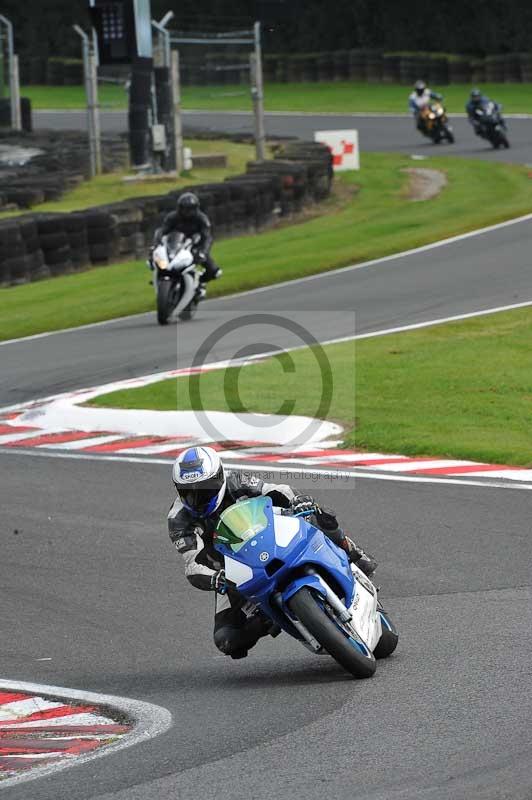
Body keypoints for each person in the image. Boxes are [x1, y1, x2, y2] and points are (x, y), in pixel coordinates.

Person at [168, 446, 378, 660]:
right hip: (233, 573)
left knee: (317, 514)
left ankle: (352, 551)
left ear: (219, 478)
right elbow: (192, 564)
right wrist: (217, 580)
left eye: (204, 490)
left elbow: (276, 490)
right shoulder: (178, 520)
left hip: (268, 540)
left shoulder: (235, 481)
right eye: (188, 492)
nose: (196, 499)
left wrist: (297, 500)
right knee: (226, 639)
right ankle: (270, 617)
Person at [154, 192, 222, 299]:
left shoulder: (202, 219)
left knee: (215, 272)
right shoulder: (172, 217)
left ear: (196, 208)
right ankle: (163, 284)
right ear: (179, 208)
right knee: (158, 262)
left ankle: (200, 282)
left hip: (195, 247)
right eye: (184, 209)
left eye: (190, 209)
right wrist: (156, 244)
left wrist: (203, 252)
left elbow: (207, 237)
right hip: (175, 246)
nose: (187, 212)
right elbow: (162, 231)